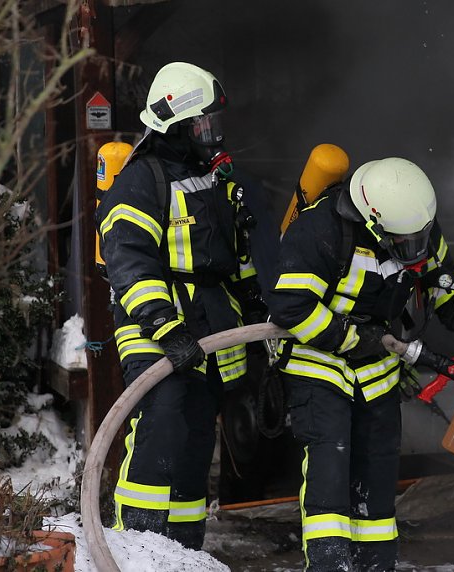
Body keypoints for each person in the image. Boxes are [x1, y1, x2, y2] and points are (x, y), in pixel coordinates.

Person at [268, 157, 454, 571]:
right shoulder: (319, 231)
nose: (414, 249)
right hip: (318, 365)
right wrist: (354, 338)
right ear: (373, 223)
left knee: (377, 477)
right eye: (403, 242)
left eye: (419, 239)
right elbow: (291, 308)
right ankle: (330, 565)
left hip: (379, 370)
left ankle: (376, 565)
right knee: (329, 471)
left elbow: (441, 280)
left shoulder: (416, 226)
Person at [95, 61, 272, 549]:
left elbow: (234, 256)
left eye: (214, 122)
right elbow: (130, 262)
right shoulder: (139, 183)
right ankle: (139, 547)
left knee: (196, 438)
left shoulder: (212, 178)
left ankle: (184, 551)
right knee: (162, 424)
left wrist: (256, 312)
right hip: (156, 327)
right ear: (175, 127)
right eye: (203, 124)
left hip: (212, 324)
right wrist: (165, 326)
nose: (213, 133)